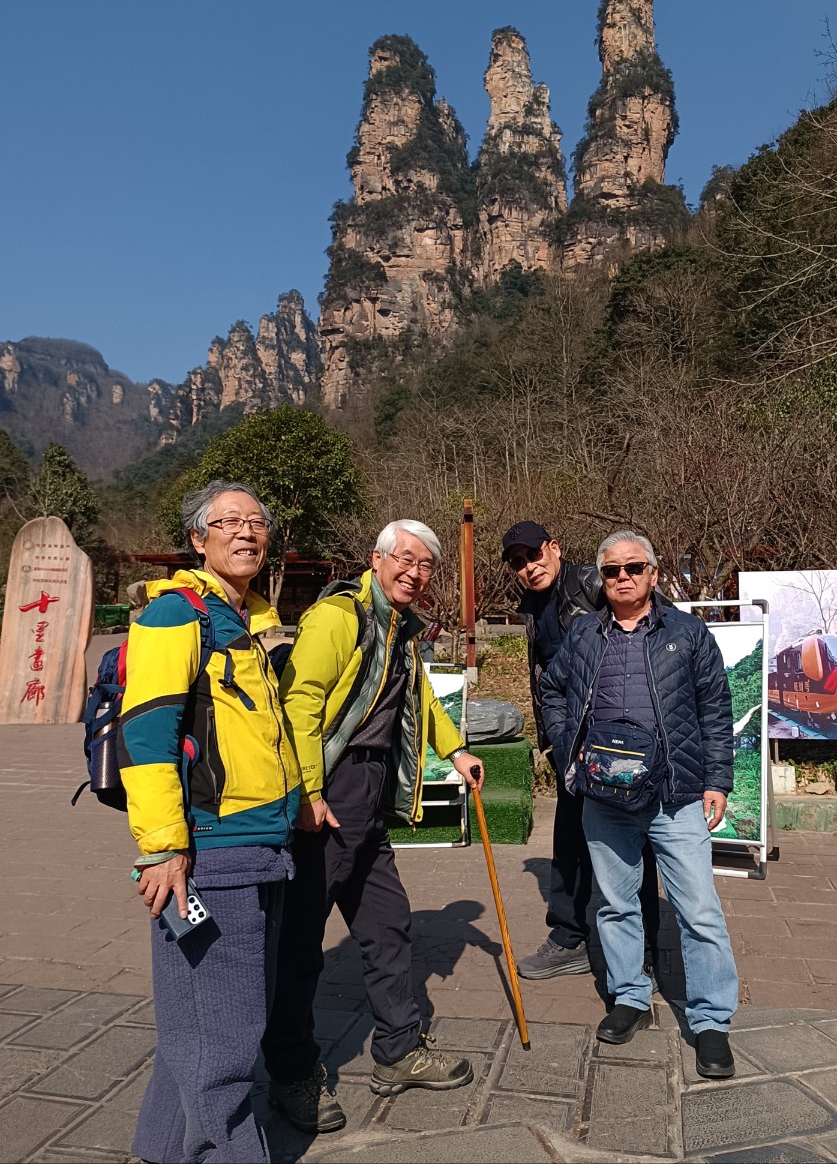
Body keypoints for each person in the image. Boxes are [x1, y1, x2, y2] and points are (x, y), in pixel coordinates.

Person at [263, 519, 485, 1133]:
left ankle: (398, 1050)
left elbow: (422, 700)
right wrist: (308, 793)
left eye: (425, 565)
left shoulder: (401, 628)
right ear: (377, 559)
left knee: (388, 923)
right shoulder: (339, 617)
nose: (415, 572)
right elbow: (301, 703)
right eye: (405, 559)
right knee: (301, 941)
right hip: (331, 788)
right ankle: (290, 1071)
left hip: (368, 792)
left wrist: (456, 750)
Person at [121, 480, 301, 1163]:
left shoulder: (252, 620)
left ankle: (164, 1149)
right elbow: (146, 734)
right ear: (198, 540)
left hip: (263, 844)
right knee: (223, 1037)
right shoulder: (177, 615)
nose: (246, 532)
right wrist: (163, 846)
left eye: (256, 522)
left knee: (200, 1028)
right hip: (207, 851)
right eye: (227, 522)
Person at [540, 530, 738, 1079]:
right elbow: (552, 689)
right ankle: (629, 995)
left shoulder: (688, 633)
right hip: (604, 795)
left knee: (699, 910)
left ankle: (711, 1020)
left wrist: (718, 780)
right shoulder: (585, 634)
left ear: (653, 573)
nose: (622, 577)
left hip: (676, 796)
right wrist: (568, 748)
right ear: (601, 579)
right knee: (614, 903)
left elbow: (716, 708)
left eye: (633, 568)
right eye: (611, 571)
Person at [500, 521, 660, 982]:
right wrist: (556, 739)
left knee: (633, 844)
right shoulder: (533, 604)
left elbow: (653, 627)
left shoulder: (593, 582)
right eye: (518, 562)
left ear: (554, 548)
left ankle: (644, 951)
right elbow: (548, 679)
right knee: (569, 842)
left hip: (619, 744)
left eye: (534, 554)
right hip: (573, 744)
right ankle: (569, 938)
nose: (528, 567)